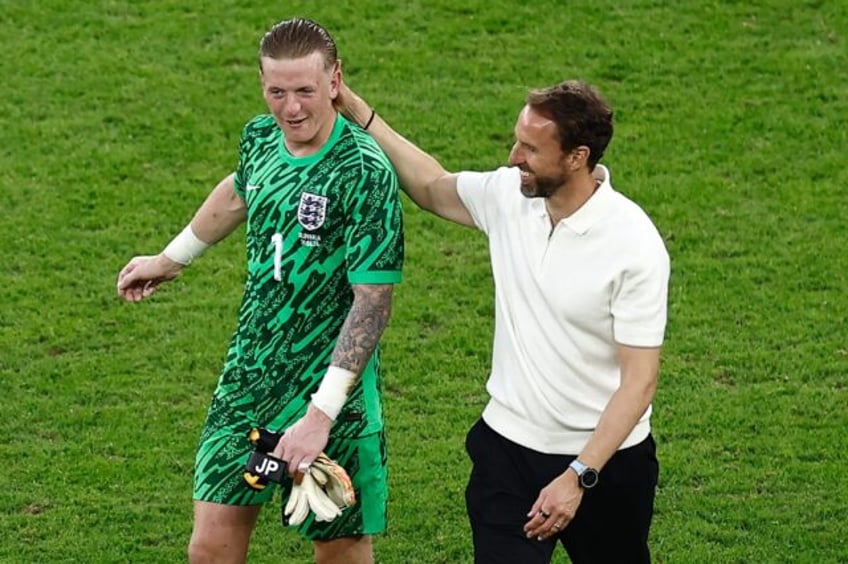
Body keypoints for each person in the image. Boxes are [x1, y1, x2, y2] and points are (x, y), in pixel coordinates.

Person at [335, 79, 670, 563]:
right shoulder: (509, 197)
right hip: (508, 453)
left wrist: (579, 476)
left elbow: (640, 382)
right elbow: (431, 185)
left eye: (531, 148)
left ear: (577, 157)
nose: (514, 156)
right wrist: (357, 111)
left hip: (607, 466)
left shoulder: (633, 245)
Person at [116, 18, 403, 564]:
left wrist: (320, 417)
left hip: (329, 392)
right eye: (277, 92)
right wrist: (172, 259)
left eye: (304, 92)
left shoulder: (364, 171)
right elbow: (240, 189)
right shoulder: (260, 137)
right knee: (210, 548)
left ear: (335, 81)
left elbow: (373, 303)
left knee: (339, 549)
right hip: (248, 377)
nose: (290, 108)